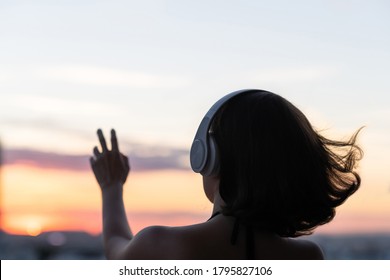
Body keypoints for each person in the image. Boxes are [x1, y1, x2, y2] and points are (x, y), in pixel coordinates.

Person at [90, 89, 363, 259]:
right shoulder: (307, 258)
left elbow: (116, 247)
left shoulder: (164, 245)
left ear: (209, 156)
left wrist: (111, 187)